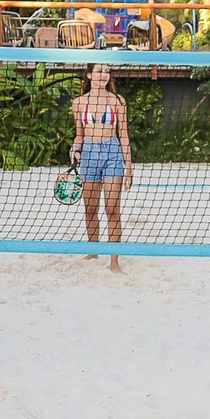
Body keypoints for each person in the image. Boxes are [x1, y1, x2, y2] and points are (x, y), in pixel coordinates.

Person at [69, 63, 133, 272]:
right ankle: (93, 250)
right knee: (90, 209)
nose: (103, 75)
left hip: (112, 153)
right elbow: (79, 134)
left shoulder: (117, 101)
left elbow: (124, 135)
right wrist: (75, 149)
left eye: (106, 71)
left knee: (112, 209)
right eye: (98, 71)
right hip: (88, 153)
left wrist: (129, 167)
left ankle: (114, 262)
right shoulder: (78, 103)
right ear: (89, 75)